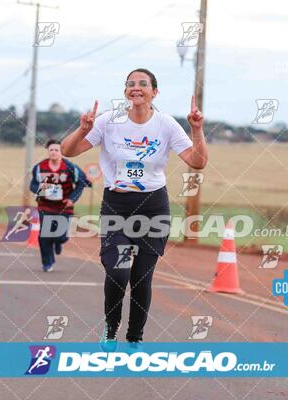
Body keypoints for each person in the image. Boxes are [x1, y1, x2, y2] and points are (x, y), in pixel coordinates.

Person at [61, 68, 208, 351]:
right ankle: (111, 327)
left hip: (153, 208)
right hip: (117, 206)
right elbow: (68, 151)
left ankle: (135, 336)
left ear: (155, 91)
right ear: (125, 91)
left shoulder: (166, 125)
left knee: (141, 277)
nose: (136, 88)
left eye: (143, 84)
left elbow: (197, 161)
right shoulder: (108, 122)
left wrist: (197, 130)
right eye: (131, 84)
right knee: (119, 272)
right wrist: (83, 128)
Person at [29, 139, 90, 272]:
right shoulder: (40, 167)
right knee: (45, 235)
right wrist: (39, 189)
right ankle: (47, 262)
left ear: (61, 152)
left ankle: (58, 241)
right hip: (45, 206)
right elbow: (32, 185)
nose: (54, 152)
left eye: (56, 150)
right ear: (48, 152)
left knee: (60, 235)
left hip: (64, 206)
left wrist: (72, 199)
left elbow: (82, 183)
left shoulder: (70, 167)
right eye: (51, 150)